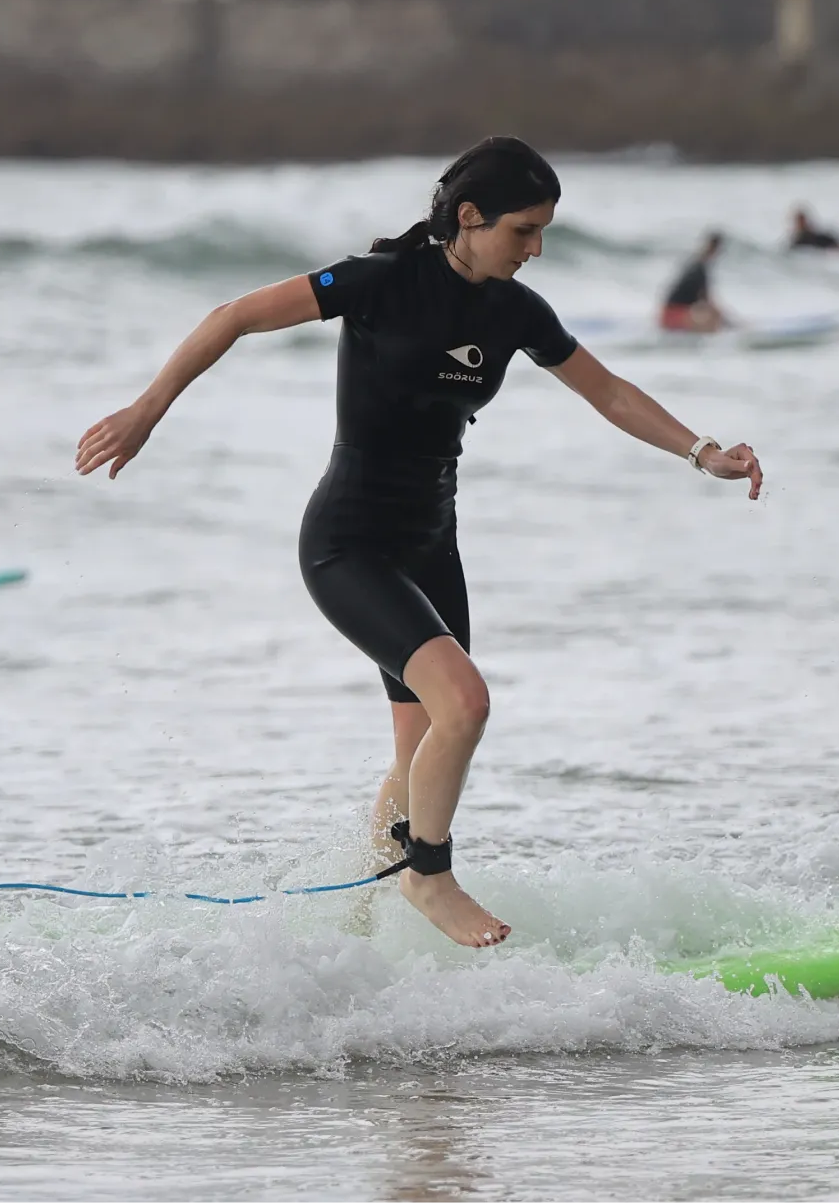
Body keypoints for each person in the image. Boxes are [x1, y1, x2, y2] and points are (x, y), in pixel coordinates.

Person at [77, 137, 762, 950]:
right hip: (348, 545)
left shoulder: (515, 311)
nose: (536, 249)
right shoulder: (379, 283)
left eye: (545, 232)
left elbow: (607, 391)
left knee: (418, 753)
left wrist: (701, 452)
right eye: (524, 230)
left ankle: (356, 930)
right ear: (470, 218)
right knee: (465, 703)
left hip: (432, 546)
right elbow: (234, 317)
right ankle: (428, 877)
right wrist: (148, 408)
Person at [659, 231, 728, 333]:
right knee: (714, 320)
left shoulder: (692, 262)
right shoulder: (699, 268)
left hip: (668, 312)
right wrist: (726, 318)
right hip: (676, 315)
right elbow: (706, 299)